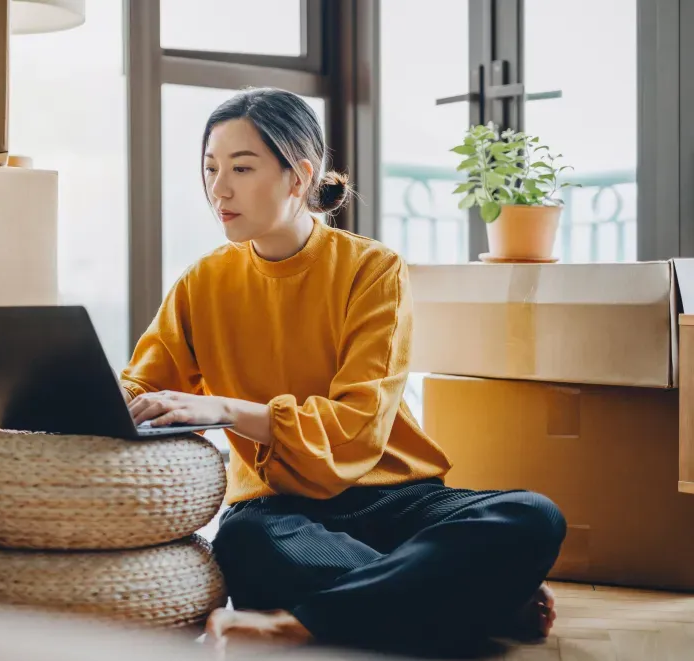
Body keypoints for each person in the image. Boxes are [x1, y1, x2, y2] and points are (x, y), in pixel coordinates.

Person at [119, 87, 566, 655]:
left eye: (241, 167)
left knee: (530, 513)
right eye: (210, 169)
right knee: (245, 541)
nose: (219, 189)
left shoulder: (371, 269)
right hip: (279, 511)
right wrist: (84, 390)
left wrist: (228, 409)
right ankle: (475, 596)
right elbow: (142, 386)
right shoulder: (200, 283)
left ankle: (305, 624)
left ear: (298, 175)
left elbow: (358, 425)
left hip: (397, 496)